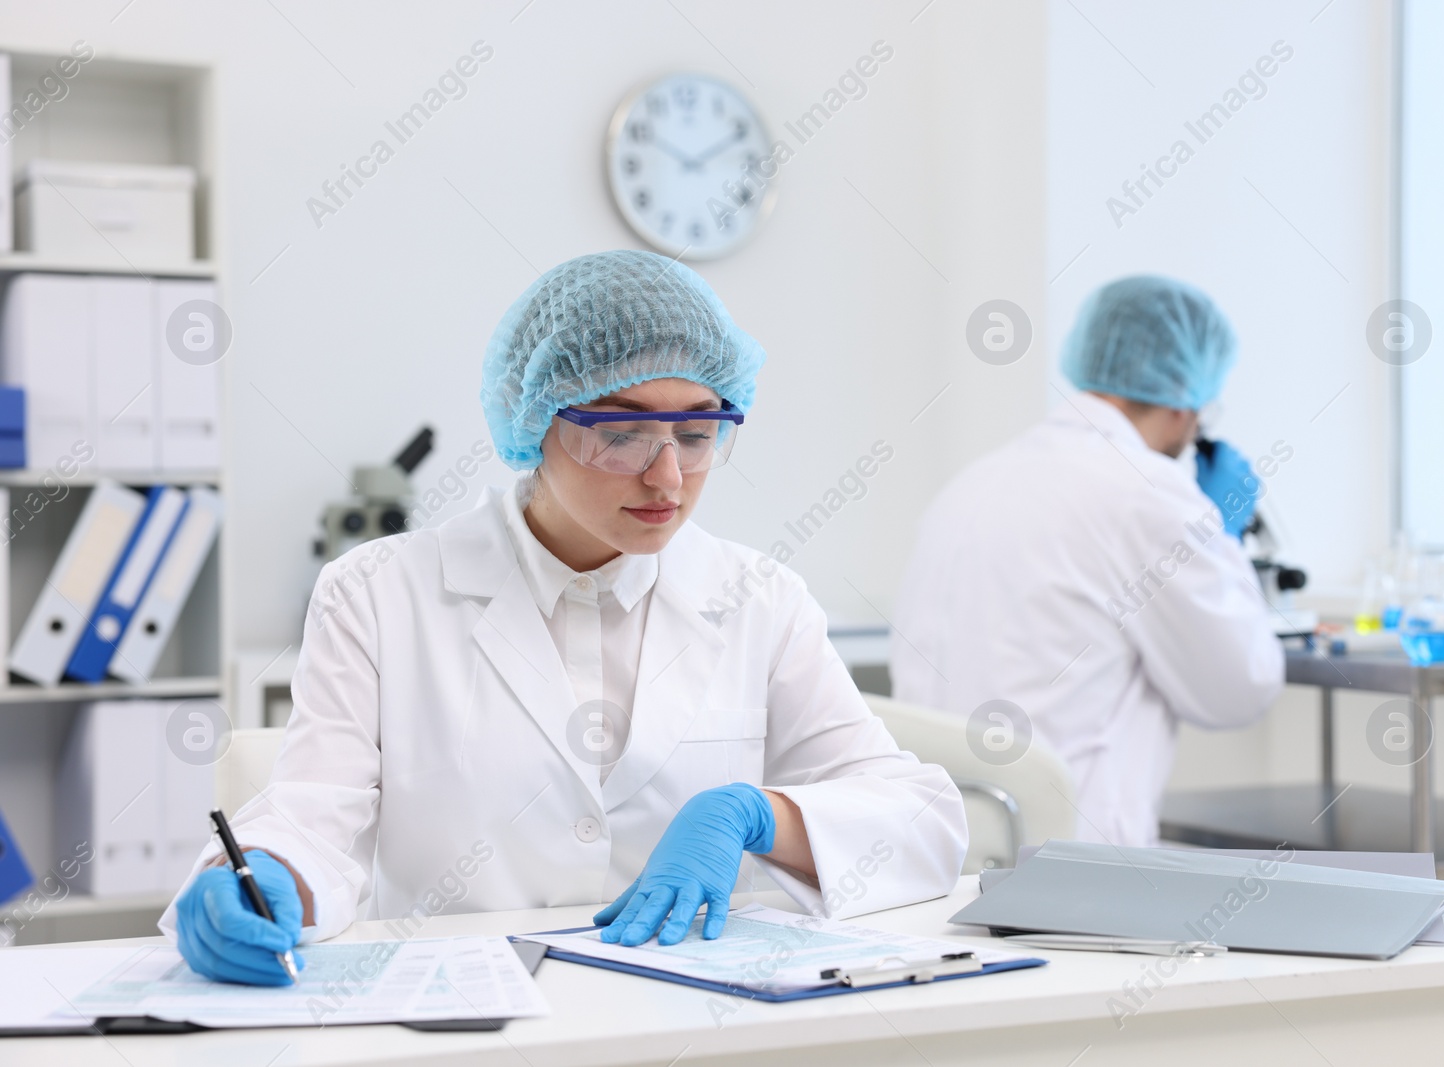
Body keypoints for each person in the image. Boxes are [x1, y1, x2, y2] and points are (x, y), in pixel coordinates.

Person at [162, 250, 966, 986]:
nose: (668, 476)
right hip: (471, 1024)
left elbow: (921, 821)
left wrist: (758, 812)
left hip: (696, 1027)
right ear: (534, 419)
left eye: (696, 431)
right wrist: (261, 874)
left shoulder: (761, 598)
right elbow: (314, 818)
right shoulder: (377, 594)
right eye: (621, 434)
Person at [890, 275, 1284, 848]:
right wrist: (1219, 535)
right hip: (1069, 863)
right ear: (1185, 400)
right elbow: (1239, 688)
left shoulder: (978, 480)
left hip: (941, 845)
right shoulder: (1149, 495)